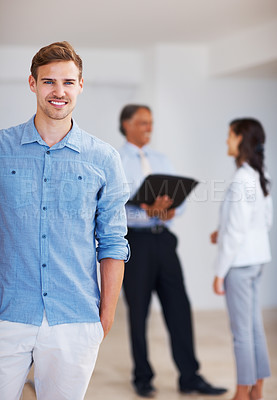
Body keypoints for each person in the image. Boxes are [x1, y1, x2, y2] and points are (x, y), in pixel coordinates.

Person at [0, 41, 129, 400]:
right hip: (7, 312)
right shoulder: (2, 149)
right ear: (32, 83)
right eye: (49, 82)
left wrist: (105, 316)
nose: (59, 92)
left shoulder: (103, 159)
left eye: (68, 82)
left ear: (81, 85)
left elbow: (114, 241)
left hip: (75, 316)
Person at [118, 104, 227, 398]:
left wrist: (167, 212)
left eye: (151, 123)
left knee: (179, 307)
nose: (148, 128)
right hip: (135, 244)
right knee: (138, 312)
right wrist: (146, 212)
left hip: (164, 241)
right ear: (126, 124)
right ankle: (142, 377)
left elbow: (182, 201)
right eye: (142, 123)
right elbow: (112, 209)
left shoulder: (161, 158)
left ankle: (189, 376)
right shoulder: (115, 160)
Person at [211, 118, 272, 400]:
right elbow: (263, 222)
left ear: (241, 139)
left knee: (241, 332)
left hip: (238, 264)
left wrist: (219, 272)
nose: (226, 141)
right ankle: (257, 388)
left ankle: (241, 392)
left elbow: (236, 231)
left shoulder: (240, 179)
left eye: (230, 135)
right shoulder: (261, 176)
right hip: (257, 260)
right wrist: (221, 232)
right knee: (255, 328)